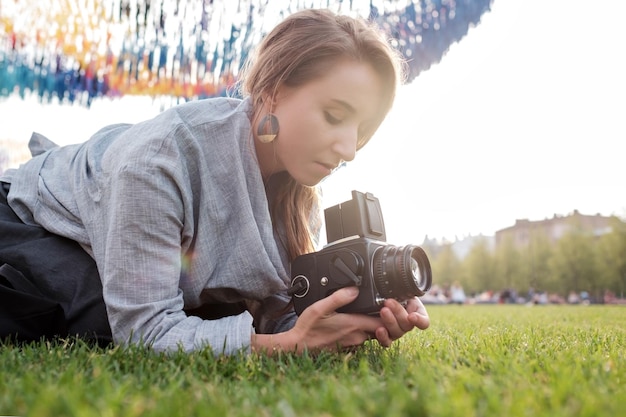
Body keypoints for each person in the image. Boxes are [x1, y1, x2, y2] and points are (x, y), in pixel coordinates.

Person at [0, 9, 430, 355]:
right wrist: (287, 346)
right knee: (97, 318)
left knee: (211, 312)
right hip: (29, 220)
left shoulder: (301, 197)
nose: (349, 149)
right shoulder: (162, 159)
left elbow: (278, 312)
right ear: (275, 91)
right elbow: (144, 332)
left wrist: (353, 319)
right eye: (335, 116)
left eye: (361, 130)